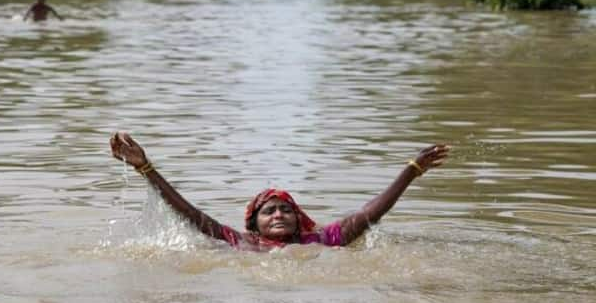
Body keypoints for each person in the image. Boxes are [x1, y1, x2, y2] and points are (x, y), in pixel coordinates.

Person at [110, 132, 450, 251]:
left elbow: (370, 213)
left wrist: (411, 169)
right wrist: (146, 168)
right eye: (269, 211)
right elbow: (188, 213)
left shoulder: (322, 241)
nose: (279, 214)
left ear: (299, 218)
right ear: (254, 224)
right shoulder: (240, 244)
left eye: (286, 209)